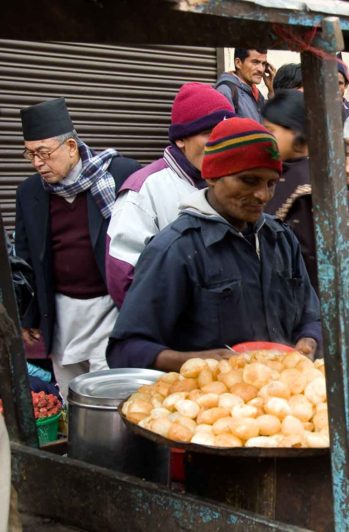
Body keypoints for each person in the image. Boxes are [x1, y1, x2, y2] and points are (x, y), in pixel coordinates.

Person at [107, 118, 321, 371]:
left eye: (271, 183)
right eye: (249, 180)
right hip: (209, 404)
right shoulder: (176, 250)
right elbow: (125, 350)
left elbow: (311, 314)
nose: (263, 195)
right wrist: (199, 362)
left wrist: (308, 340)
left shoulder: (281, 240)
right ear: (212, 177)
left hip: (280, 401)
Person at [14, 98, 140, 392]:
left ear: (71, 147)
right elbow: (25, 258)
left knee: (112, 396)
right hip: (61, 314)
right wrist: (28, 315)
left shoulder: (119, 174)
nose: (37, 163)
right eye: (30, 154)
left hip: (111, 309)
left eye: (44, 153)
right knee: (72, 394)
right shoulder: (30, 192)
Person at [261, 90, 349, 359]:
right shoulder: (282, 176)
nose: (265, 138)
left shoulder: (310, 183)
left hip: (322, 317)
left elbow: (328, 260)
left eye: (271, 130)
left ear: (297, 134)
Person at [106, 82, 236, 306]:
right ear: (180, 139)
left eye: (226, 134)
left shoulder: (234, 181)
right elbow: (123, 277)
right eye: (209, 133)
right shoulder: (144, 190)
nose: (220, 143)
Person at [215, 48, 274, 121]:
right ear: (238, 63)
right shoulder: (226, 91)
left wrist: (272, 91)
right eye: (255, 62)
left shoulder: (257, 94)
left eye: (263, 64)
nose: (261, 69)